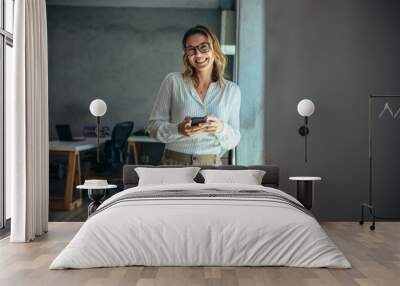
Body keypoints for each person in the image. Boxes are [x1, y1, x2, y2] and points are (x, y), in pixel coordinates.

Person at [147, 25, 241, 166]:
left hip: (212, 168)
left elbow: (234, 140)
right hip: (173, 163)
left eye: (203, 47)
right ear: (186, 54)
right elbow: (153, 128)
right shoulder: (173, 81)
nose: (198, 54)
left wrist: (220, 128)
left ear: (214, 49)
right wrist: (178, 129)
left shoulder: (231, 90)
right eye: (191, 49)